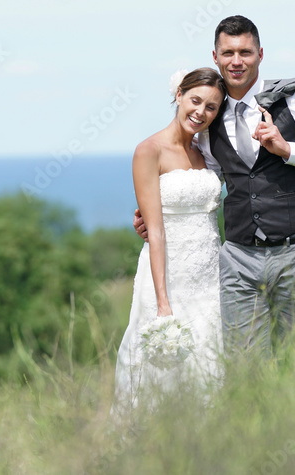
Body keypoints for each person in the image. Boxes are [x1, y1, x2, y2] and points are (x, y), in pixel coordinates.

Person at [135, 15, 295, 357]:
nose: (236, 61)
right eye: (228, 53)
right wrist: (158, 211)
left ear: (260, 54)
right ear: (215, 57)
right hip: (238, 257)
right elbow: (204, 175)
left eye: (245, 52)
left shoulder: (293, 101)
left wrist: (287, 150)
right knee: (242, 364)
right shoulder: (210, 119)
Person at [113, 67, 227, 413]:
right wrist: (163, 302)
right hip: (169, 276)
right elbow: (157, 229)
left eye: (211, 107)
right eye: (195, 100)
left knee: (209, 366)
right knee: (164, 373)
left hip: (210, 277)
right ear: (178, 96)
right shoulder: (149, 151)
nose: (201, 112)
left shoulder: (205, 153)